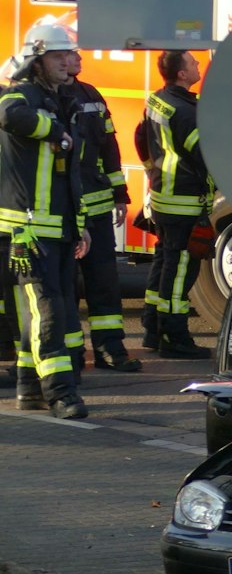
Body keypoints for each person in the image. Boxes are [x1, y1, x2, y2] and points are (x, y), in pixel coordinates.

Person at [3, 22, 91, 418]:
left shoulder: (63, 99)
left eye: (67, 55)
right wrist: (52, 130)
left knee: (42, 313)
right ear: (36, 60)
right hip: (28, 229)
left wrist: (80, 224)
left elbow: (69, 174)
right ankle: (60, 394)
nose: (66, 62)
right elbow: (7, 113)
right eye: (57, 56)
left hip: (58, 227)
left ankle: (29, 389)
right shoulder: (22, 94)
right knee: (47, 311)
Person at [66, 53, 139, 371]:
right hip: (62, 211)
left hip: (96, 208)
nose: (76, 58)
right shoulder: (43, 99)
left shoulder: (91, 95)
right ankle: (70, 354)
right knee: (65, 286)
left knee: (105, 282)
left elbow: (109, 146)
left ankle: (110, 349)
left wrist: (120, 194)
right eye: (68, 53)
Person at [136, 50, 211, 360]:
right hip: (184, 202)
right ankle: (174, 337)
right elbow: (206, 157)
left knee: (164, 263)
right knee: (180, 271)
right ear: (182, 74)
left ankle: (152, 329)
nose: (198, 65)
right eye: (193, 63)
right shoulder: (186, 113)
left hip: (163, 197)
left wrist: (151, 170)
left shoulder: (158, 99)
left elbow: (140, 136)